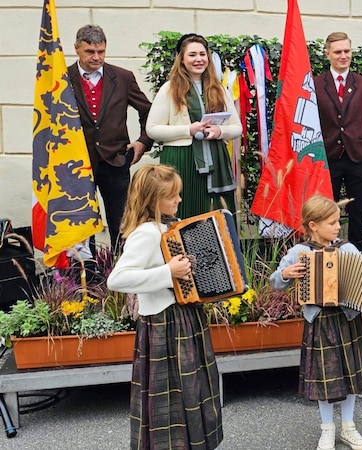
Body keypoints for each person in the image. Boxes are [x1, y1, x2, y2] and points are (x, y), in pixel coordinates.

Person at [107, 165, 222, 449]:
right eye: (172, 196)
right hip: (164, 322)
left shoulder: (169, 227)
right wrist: (168, 272)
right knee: (170, 400)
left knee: (191, 393)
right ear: (151, 200)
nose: (179, 200)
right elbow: (117, 279)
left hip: (184, 317)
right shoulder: (146, 233)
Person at [269, 195, 362, 450]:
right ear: (313, 225)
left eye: (338, 221)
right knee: (324, 378)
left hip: (347, 318)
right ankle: (327, 429)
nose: (338, 227)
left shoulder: (347, 249)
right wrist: (285, 274)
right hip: (318, 321)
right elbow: (275, 281)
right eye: (332, 223)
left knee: (350, 375)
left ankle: (348, 427)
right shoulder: (299, 252)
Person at [68, 24, 153, 252]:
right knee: (82, 225)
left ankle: (122, 273)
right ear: (76, 49)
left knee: (121, 223)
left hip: (116, 160)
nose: (97, 57)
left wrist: (143, 142)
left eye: (101, 52)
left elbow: (148, 111)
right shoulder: (63, 78)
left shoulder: (123, 77)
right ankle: (88, 277)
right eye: (90, 52)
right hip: (76, 164)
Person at [146, 33, 242, 220]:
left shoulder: (219, 89)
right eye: (192, 55)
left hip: (215, 158)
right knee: (183, 212)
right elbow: (152, 129)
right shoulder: (169, 89)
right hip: (182, 159)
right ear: (182, 59)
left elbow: (237, 127)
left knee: (216, 215)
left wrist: (220, 131)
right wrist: (188, 130)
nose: (198, 59)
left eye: (202, 54)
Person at [314, 32, 362, 251]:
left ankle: (358, 258)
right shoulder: (315, 84)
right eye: (337, 52)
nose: (343, 56)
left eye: (347, 51)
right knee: (326, 212)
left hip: (358, 158)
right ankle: (327, 257)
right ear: (328, 54)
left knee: (359, 212)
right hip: (329, 158)